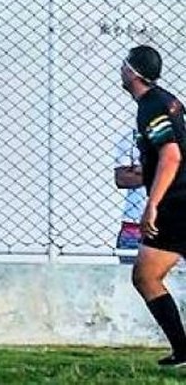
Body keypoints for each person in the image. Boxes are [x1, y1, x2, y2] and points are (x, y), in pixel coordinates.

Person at [121, 45, 186, 367]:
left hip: (176, 205)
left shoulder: (152, 106)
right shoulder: (168, 100)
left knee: (146, 276)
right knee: (146, 276)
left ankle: (183, 351)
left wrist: (153, 204)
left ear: (132, 71)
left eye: (123, 66)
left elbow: (171, 154)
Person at [113, 131, 144, 264]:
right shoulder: (132, 137)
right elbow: (122, 179)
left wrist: (141, 170)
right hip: (135, 228)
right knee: (133, 281)